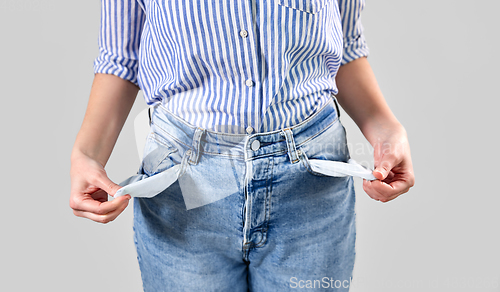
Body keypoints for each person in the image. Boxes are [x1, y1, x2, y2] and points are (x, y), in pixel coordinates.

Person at [70, 0, 415, 291]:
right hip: (183, 188)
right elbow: (122, 57)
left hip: (310, 183)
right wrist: (86, 154)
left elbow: (346, 47)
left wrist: (386, 130)